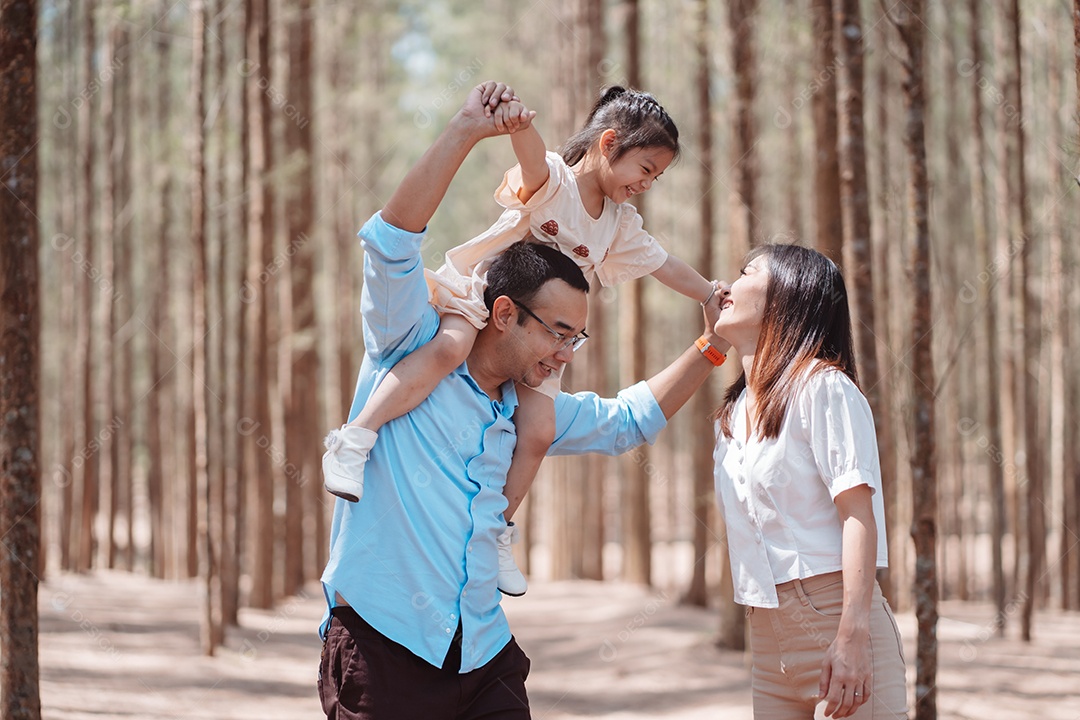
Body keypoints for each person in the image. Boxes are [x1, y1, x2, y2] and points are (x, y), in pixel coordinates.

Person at [318, 81, 729, 720]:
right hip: (383, 645)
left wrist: (713, 341)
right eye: (558, 334)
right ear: (506, 314)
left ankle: (500, 533)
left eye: (578, 336)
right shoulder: (410, 343)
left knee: (537, 432)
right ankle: (352, 437)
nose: (567, 352)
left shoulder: (528, 400)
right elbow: (392, 241)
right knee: (450, 347)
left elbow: (628, 421)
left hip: (485, 656)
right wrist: (471, 128)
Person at [710, 244, 907, 720]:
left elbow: (859, 515)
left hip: (835, 617)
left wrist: (852, 637)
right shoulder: (734, 413)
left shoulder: (823, 388)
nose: (727, 284)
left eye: (745, 272)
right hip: (767, 633)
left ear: (786, 297)